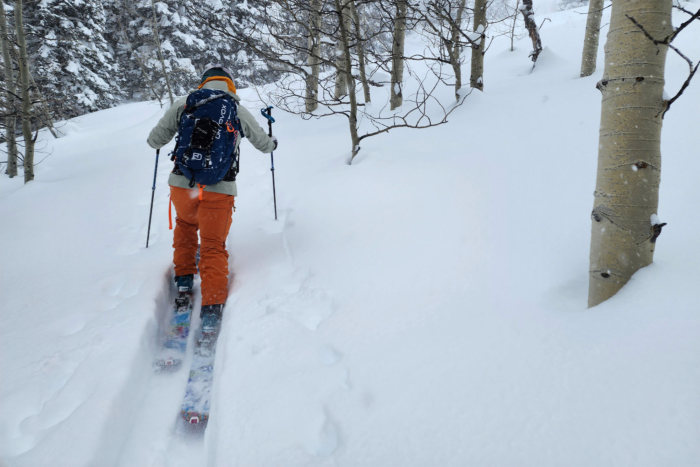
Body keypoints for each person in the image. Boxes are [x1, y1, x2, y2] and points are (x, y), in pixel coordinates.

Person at [147, 65, 277, 320]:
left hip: (183, 184)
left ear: (202, 84)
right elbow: (264, 145)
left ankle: (184, 282)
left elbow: (155, 141)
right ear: (230, 86)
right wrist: (273, 142)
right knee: (213, 245)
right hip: (220, 187)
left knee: (185, 225)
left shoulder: (184, 104)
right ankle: (212, 304)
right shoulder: (236, 109)